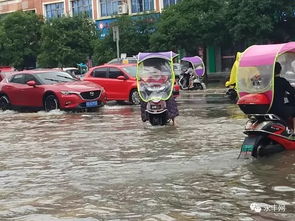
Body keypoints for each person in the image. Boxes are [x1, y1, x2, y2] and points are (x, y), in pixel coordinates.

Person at [269, 62, 295, 132]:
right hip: (279, 109)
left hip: (269, 109)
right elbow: (292, 92)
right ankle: (294, 132)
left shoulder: (268, 82)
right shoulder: (282, 81)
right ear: (280, 70)